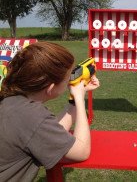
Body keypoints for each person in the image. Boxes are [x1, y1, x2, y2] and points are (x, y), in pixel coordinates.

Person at [0, 42, 100, 181]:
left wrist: (73, 100)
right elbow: (81, 151)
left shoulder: (12, 102)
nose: (69, 82)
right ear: (51, 88)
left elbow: (47, 133)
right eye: (67, 80)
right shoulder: (32, 116)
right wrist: (79, 98)